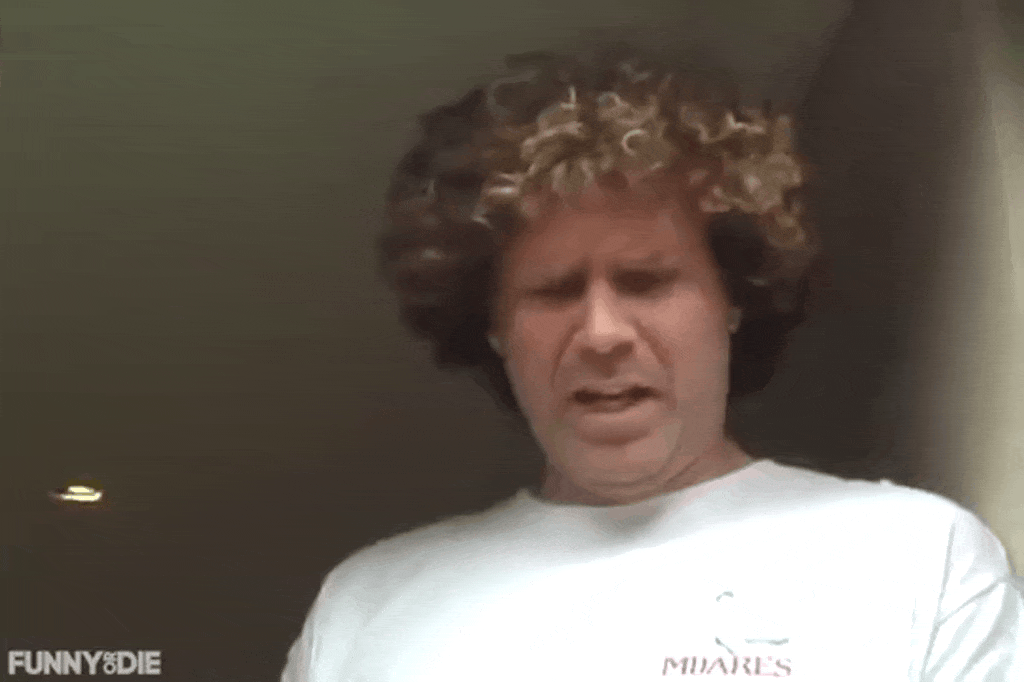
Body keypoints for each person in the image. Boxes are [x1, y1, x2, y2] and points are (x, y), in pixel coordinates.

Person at [280, 44, 1023, 681]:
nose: (601, 334)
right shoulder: (365, 606)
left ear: (732, 299)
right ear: (496, 327)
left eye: (646, 281)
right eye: (554, 290)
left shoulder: (916, 558)